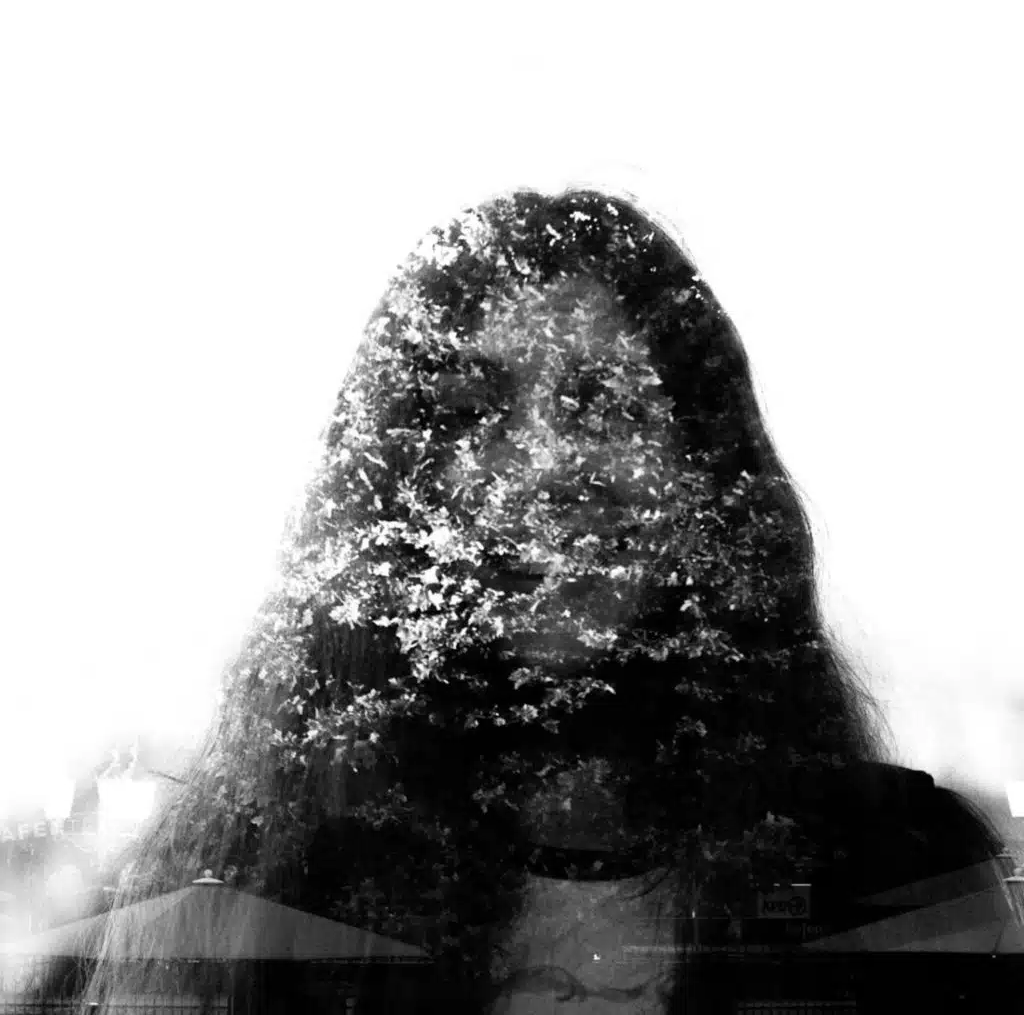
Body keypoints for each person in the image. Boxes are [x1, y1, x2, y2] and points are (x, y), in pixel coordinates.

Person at [64, 186, 1007, 1013]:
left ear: (708, 484)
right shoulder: (246, 905)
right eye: (467, 413)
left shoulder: (906, 881)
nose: (543, 467)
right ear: (389, 493)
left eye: (604, 404)